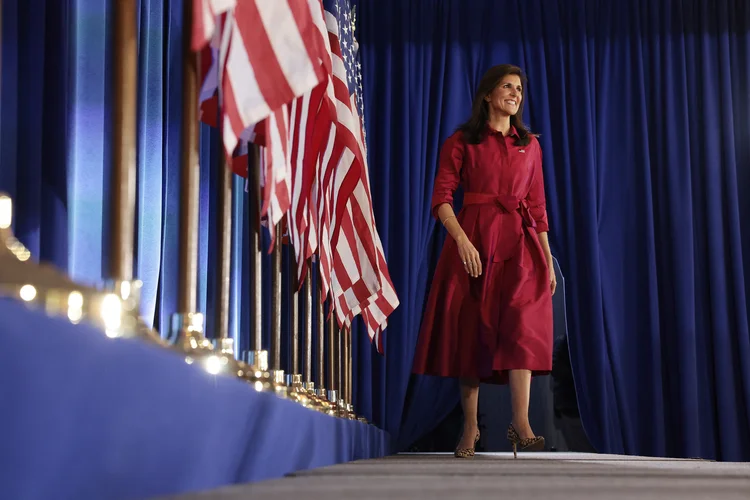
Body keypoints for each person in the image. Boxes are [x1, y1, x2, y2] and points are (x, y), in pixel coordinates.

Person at [412, 64, 556, 459]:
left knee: (524, 326)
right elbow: (441, 198)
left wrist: (545, 254)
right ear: (489, 95)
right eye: (507, 87)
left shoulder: (531, 144)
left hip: (521, 245)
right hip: (474, 241)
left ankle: (521, 423)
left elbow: (538, 205)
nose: (515, 94)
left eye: (520, 89)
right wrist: (461, 241)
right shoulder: (462, 141)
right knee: (472, 331)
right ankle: (471, 427)